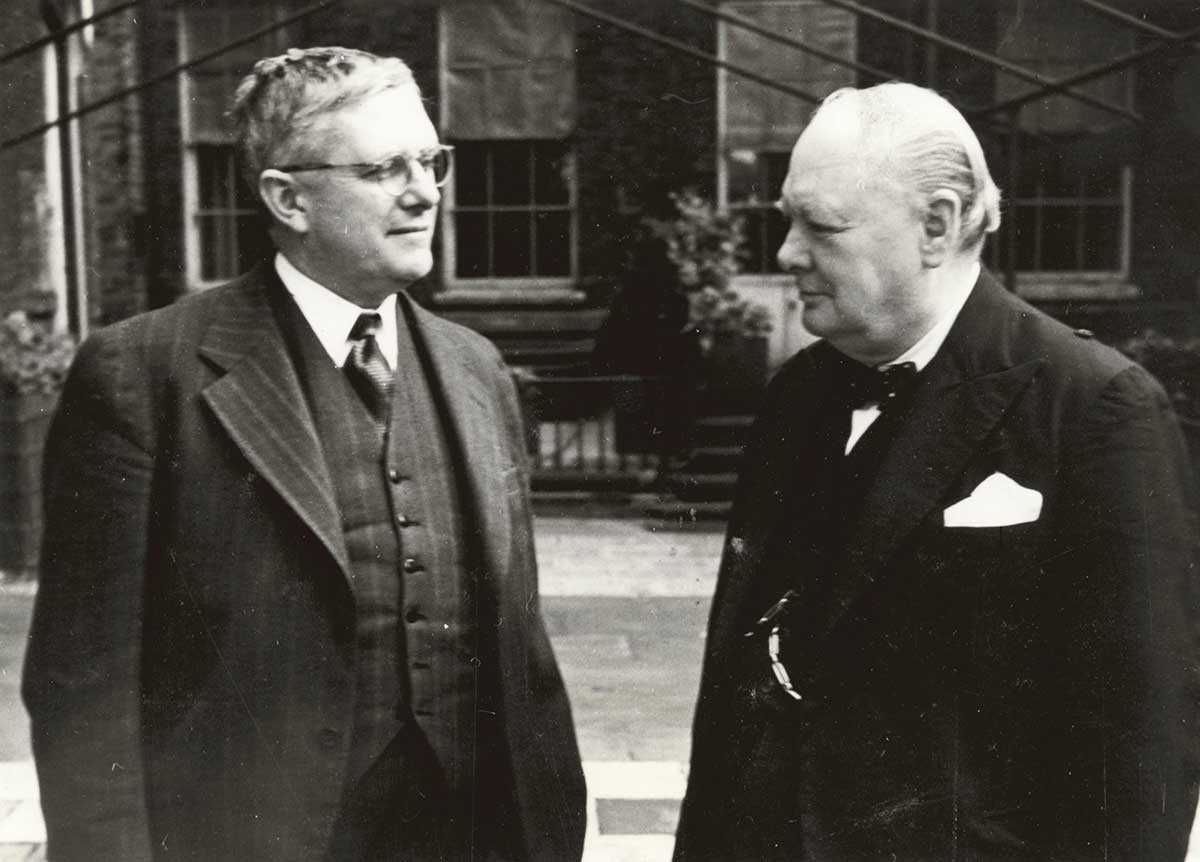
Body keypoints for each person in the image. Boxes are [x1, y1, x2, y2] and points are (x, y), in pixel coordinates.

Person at [23, 47, 585, 862]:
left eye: (432, 161)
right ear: (288, 197)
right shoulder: (145, 373)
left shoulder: (476, 368)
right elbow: (84, 689)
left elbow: (524, 661)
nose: (424, 191)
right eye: (384, 168)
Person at [674, 82, 1200, 861]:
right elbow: (735, 696)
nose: (785, 250)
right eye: (789, 218)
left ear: (938, 224)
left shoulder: (1093, 407)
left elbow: (1138, 756)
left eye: (820, 225)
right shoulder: (798, 395)